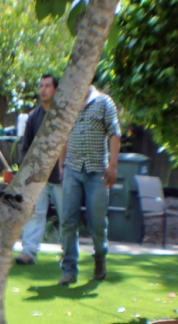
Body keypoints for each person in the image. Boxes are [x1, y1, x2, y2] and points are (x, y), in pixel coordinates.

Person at [58, 85, 121, 285]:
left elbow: (115, 133)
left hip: (97, 171)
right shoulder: (70, 103)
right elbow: (64, 134)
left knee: (97, 222)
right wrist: (62, 164)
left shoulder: (104, 102)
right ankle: (69, 269)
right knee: (68, 220)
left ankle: (100, 257)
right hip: (72, 169)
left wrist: (113, 165)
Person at [14, 74, 63, 265]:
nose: (43, 89)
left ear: (55, 90)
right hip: (38, 177)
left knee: (66, 216)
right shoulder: (34, 116)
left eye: (47, 86)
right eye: (41, 86)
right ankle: (28, 252)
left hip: (60, 175)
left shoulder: (63, 115)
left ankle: (69, 254)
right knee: (34, 213)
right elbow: (25, 147)